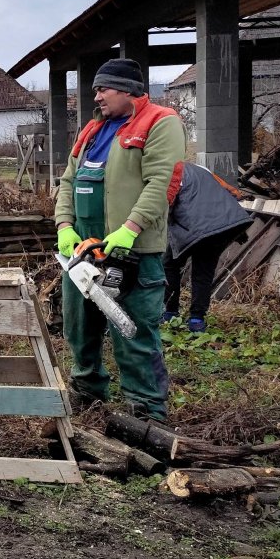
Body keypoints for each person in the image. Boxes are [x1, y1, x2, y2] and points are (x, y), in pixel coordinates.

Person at [54, 59, 186, 421]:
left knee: (134, 333)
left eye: (103, 89)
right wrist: (64, 225)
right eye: (96, 89)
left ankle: (145, 412)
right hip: (83, 253)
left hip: (131, 254)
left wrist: (131, 228)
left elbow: (161, 183)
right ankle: (88, 395)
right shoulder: (93, 130)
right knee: (79, 329)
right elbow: (68, 181)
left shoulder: (160, 122)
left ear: (127, 90)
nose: (97, 96)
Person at [164, 162, 252, 333]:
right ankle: (197, 320)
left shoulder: (169, 171)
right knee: (203, 271)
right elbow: (233, 192)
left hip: (193, 226)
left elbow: (167, 201)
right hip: (221, 227)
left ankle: (170, 313)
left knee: (170, 264)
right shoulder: (200, 168)